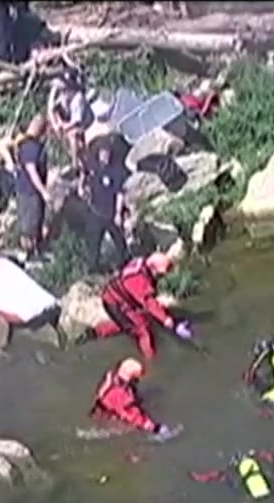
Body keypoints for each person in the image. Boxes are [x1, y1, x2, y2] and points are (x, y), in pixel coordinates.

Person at [75, 252, 192, 359]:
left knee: (130, 323)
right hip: (115, 303)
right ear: (153, 268)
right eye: (160, 274)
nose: (162, 277)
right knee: (142, 330)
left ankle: (94, 333)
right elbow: (148, 302)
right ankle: (151, 360)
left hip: (120, 298)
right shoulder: (138, 278)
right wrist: (166, 320)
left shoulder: (142, 264)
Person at [90, 358, 174, 437]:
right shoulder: (124, 397)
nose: (138, 381)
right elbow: (135, 418)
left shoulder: (109, 381)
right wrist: (155, 428)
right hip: (116, 423)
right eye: (137, 379)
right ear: (131, 379)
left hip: (102, 415)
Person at [82, 140, 130, 273]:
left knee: (119, 242)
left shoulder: (116, 170)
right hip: (95, 211)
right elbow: (84, 172)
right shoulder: (94, 167)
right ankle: (93, 267)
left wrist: (118, 213)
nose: (105, 156)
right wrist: (82, 187)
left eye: (107, 153)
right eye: (103, 153)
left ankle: (123, 264)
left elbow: (120, 192)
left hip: (111, 213)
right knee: (93, 241)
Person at [11, 115, 50, 262]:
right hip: (29, 192)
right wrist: (43, 191)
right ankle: (28, 256)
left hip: (29, 191)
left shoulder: (25, 143)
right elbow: (31, 170)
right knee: (29, 226)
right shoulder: (30, 146)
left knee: (36, 223)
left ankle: (37, 252)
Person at [47, 75, 92, 178]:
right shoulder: (60, 95)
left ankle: (74, 164)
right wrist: (56, 124)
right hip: (67, 118)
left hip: (83, 121)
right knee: (56, 129)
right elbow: (51, 109)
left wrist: (64, 126)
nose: (62, 92)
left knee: (73, 135)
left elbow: (76, 121)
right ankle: (75, 160)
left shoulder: (78, 98)